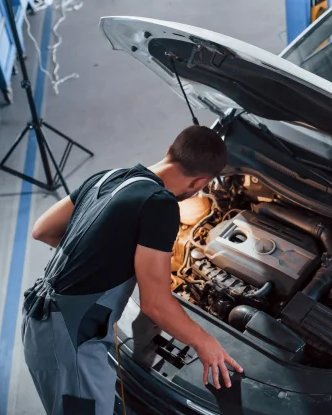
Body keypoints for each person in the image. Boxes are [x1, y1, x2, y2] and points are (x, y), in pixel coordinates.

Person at [22, 125, 243, 414]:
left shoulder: (108, 176)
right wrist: (205, 342)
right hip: (72, 340)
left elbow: (43, 229)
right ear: (200, 182)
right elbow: (156, 304)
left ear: (170, 151)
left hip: (41, 317)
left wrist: (100, 254)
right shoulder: (160, 205)